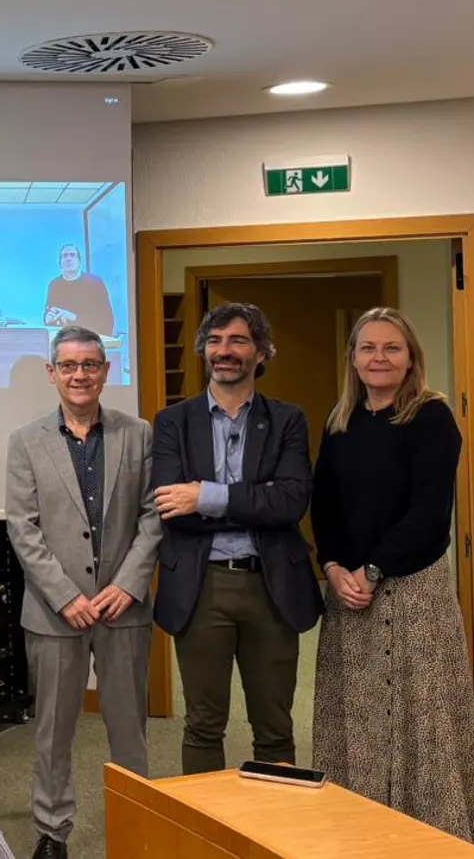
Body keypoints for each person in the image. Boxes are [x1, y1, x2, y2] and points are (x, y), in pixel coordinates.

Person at [311, 309, 474, 844]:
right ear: (352, 358)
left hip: (411, 587)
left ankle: (428, 831)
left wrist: (373, 569)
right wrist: (333, 567)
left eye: (391, 348)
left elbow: (428, 511)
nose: (379, 358)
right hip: (346, 591)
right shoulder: (340, 420)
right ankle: (358, 825)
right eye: (368, 348)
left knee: (419, 714)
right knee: (356, 711)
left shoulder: (431, 417)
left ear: (411, 355)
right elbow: (324, 506)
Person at [3, 326, 158, 859]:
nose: (79, 375)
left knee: (129, 729)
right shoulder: (26, 441)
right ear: (52, 373)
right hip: (54, 614)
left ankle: (136, 828)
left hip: (123, 609)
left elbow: (152, 516)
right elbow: (23, 528)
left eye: (90, 364)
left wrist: (128, 585)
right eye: (68, 366)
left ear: (105, 371)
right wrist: (66, 595)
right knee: (52, 732)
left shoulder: (138, 434)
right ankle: (52, 832)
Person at [148, 303, 321, 775]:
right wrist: (251, 501)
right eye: (216, 341)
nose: (225, 351)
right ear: (204, 349)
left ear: (261, 352)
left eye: (238, 340)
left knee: (275, 725)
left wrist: (204, 494)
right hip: (202, 587)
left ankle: (273, 838)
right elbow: (171, 509)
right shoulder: (172, 423)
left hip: (271, 586)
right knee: (203, 723)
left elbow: (289, 504)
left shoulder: (287, 420)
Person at [42, 243, 115, 338]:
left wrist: (73, 317)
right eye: (64, 256)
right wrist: (48, 319)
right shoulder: (54, 284)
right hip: (64, 340)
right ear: (60, 262)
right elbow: (50, 313)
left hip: (89, 339)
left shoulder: (95, 283)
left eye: (72, 255)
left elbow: (106, 320)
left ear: (79, 261)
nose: (68, 259)